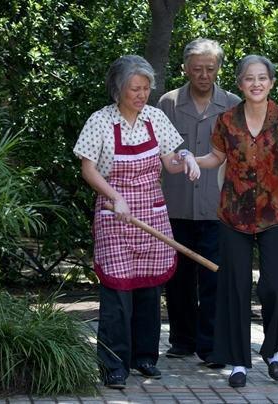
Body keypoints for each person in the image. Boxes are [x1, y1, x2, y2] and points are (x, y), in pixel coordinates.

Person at [194, 55, 278, 388]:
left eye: (262, 78)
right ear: (239, 84)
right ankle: (238, 361)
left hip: (274, 213)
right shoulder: (226, 121)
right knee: (235, 287)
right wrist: (189, 161)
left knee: (276, 286)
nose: (256, 84)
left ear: (271, 83)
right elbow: (215, 158)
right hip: (233, 215)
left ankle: (272, 349)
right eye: (249, 78)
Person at [73, 55, 200, 389]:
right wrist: (115, 196)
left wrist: (185, 158)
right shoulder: (100, 122)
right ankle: (112, 365)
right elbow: (87, 168)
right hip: (115, 216)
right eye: (135, 88)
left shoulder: (155, 118)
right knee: (117, 291)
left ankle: (144, 357)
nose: (141, 94)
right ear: (118, 89)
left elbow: (170, 161)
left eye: (146, 88)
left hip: (151, 214)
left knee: (148, 289)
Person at [157, 38, 240, 367]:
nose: (204, 75)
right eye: (197, 69)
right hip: (176, 204)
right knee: (177, 277)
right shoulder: (168, 103)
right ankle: (182, 339)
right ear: (185, 69)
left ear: (219, 68)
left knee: (214, 278)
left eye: (210, 68)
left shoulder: (233, 104)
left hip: (218, 206)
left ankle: (211, 345)